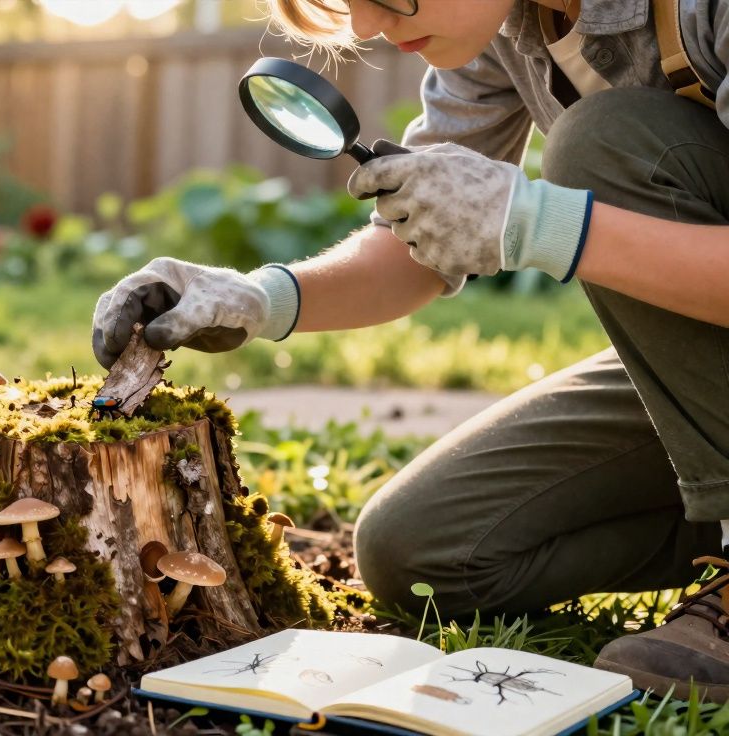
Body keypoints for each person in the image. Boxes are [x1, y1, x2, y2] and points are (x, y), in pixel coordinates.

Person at [92, 0, 729, 702]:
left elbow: (542, 213)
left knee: (603, 141)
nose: (367, 26)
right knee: (424, 549)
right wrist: (257, 298)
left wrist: (538, 224)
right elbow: (417, 253)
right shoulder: (503, 28)